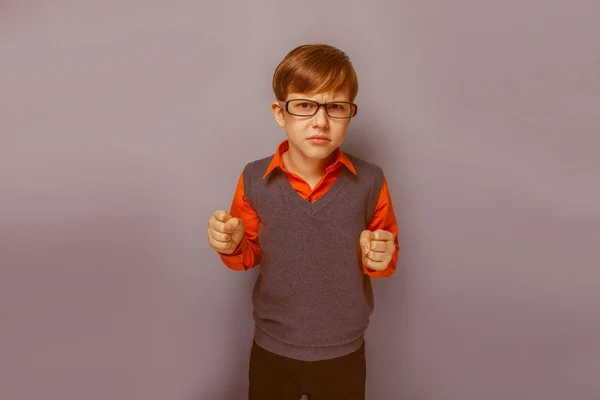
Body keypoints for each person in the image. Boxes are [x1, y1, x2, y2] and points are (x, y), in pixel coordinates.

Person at [207, 44, 400, 400]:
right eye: (305, 105)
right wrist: (232, 244)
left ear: (349, 113)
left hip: (344, 352)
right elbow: (246, 255)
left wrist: (382, 256)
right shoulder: (253, 178)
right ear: (280, 113)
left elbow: (385, 258)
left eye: (336, 107)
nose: (321, 121)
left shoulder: (371, 181)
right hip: (272, 348)